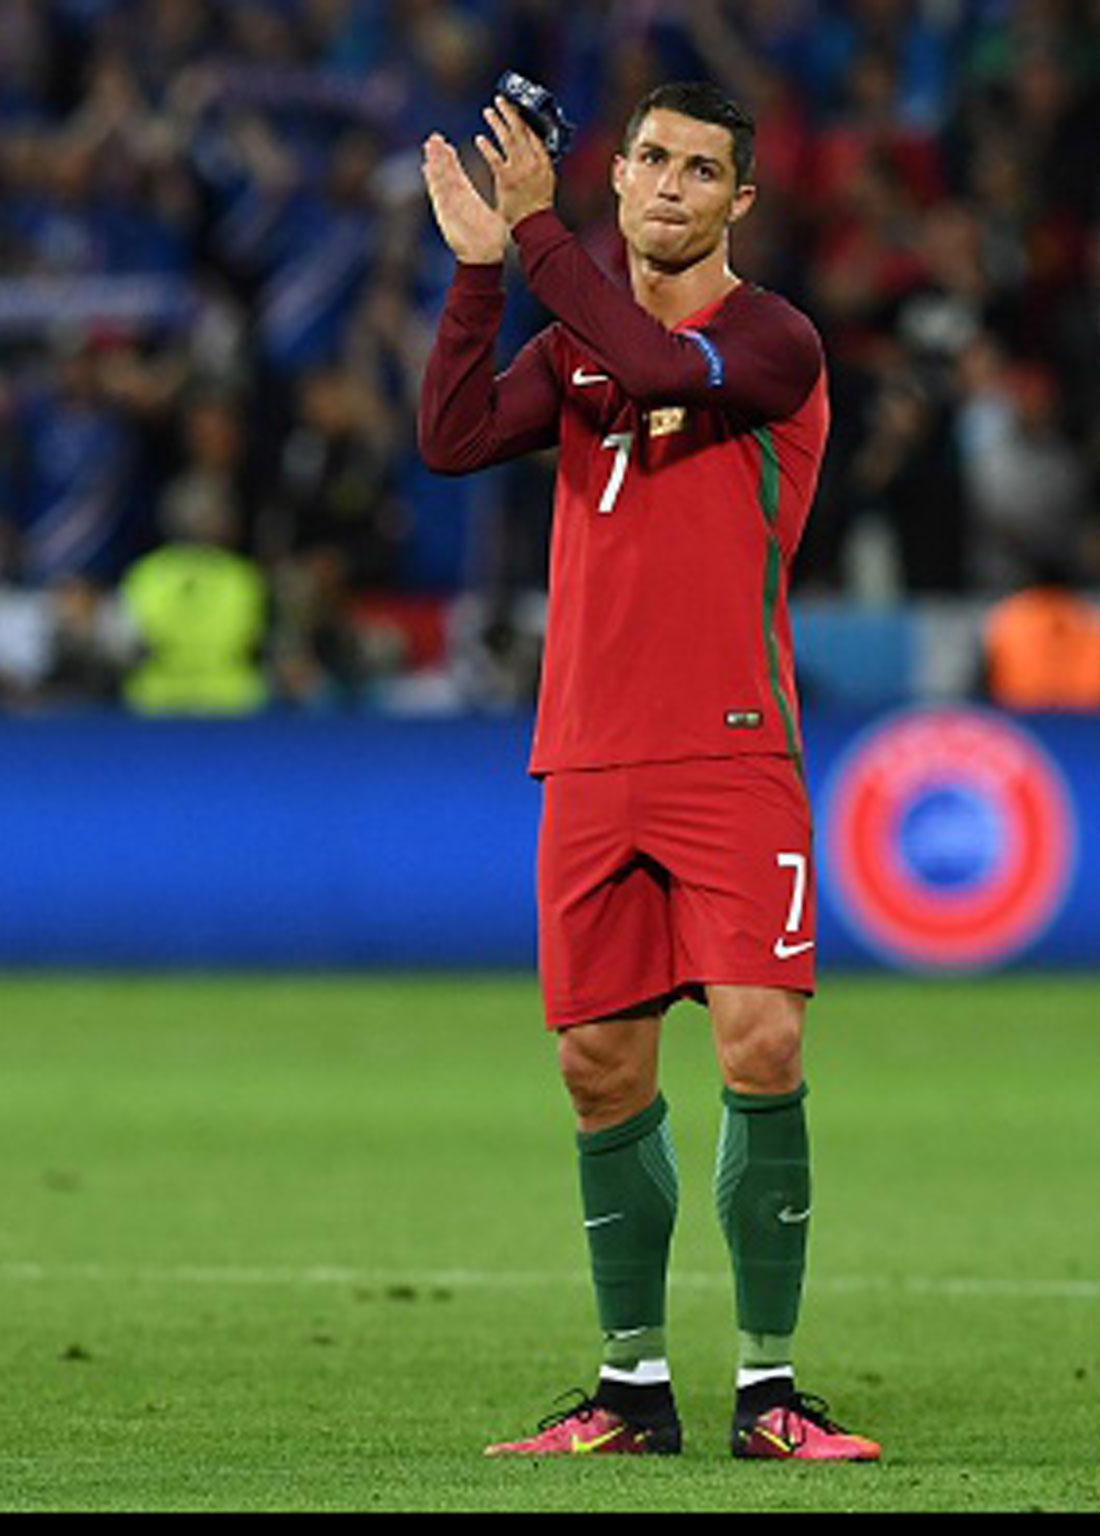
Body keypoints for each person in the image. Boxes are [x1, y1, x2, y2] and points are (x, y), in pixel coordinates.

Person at [416, 79, 879, 1463]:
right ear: (620, 181)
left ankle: (771, 1390)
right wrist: (478, 271)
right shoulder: (573, 352)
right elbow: (447, 437)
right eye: (653, 162)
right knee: (601, 1067)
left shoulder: (773, 341)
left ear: (742, 200)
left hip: (735, 750)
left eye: (702, 170)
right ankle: (628, 1393)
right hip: (589, 751)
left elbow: (665, 368)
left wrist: (541, 239)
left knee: (764, 1040)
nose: (671, 186)